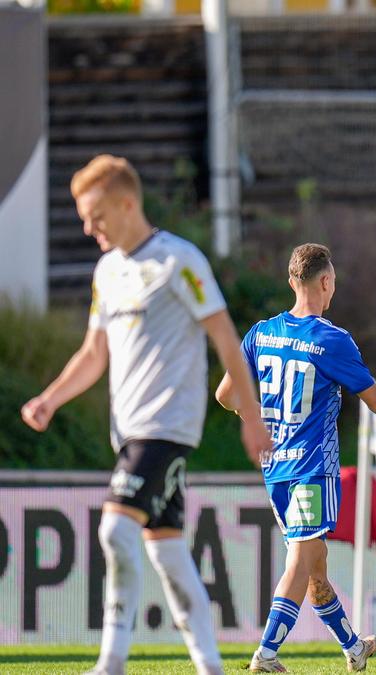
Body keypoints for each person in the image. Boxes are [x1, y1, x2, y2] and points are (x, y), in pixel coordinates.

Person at [20, 154, 272, 675]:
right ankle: (210, 666)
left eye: (96, 215)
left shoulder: (179, 261)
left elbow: (225, 338)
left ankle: (111, 661)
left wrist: (251, 416)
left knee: (115, 531)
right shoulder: (107, 271)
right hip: (129, 432)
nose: (88, 227)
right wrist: (50, 398)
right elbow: (94, 353)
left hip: (166, 428)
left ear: (127, 203)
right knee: (169, 554)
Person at [215, 243, 376, 672]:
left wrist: (257, 414)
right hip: (312, 465)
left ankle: (352, 647)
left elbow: (224, 395)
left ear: (292, 282)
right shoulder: (332, 340)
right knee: (302, 559)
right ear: (326, 282)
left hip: (274, 468)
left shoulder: (260, 333)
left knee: (315, 567)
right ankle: (267, 653)